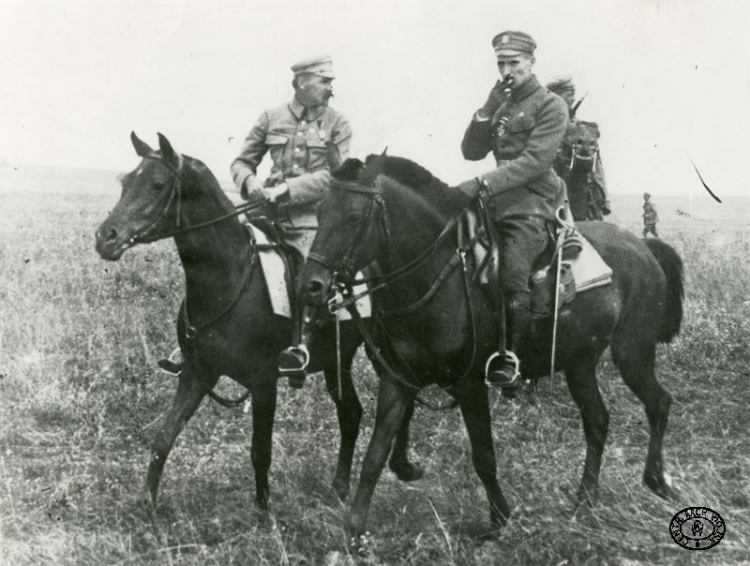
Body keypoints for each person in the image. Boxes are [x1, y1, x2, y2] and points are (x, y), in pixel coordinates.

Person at [157, 55, 352, 382]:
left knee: (308, 271)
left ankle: (299, 346)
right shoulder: (270, 117)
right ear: (302, 82)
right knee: (219, 256)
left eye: (330, 81)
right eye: (324, 81)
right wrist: (251, 183)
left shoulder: (339, 124)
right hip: (262, 212)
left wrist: (287, 189)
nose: (331, 88)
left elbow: (336, 177)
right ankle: (194, 340)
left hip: (311, 220)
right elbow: (241, 162)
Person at [457, 31, 570, 389]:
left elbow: (535, 161)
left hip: (532, 200)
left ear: (531, 63)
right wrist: (486, 110)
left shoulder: (551, 105)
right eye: (501, 64)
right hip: (496, 199)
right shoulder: (502, 106)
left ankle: (514, 361)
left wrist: (482, 184)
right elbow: (471, 153)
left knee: (512, 273)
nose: (507, 70)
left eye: (514, 63)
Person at [546, 74, 612, 216]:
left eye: (573, 94)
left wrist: (605, 199)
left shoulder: (582, 130)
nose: (573, 99)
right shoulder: (543, 124)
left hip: (580, 195)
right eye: (568, 94)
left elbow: (597, 166)